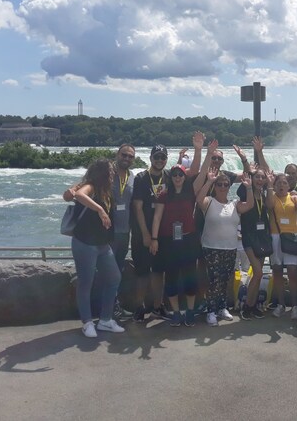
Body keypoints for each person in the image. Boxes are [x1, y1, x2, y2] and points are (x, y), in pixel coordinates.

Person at [131, 137, 202, 322]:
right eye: (157, 157)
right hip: (144, 233)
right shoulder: (141, 178)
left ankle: (157, 306)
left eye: (163, 157)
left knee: (158, 271)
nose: (160, 160)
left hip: (163, 236)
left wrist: (199, 150)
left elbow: (190, 172)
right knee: (142, 272)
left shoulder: (168, 177)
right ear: (151, 158)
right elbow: (137, 208)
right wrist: (147, 235)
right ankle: (139, 307)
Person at [64, 143, 135, 319]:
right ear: (117, 155)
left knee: (116, 273)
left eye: (130, 156)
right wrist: (71, 192)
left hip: (124, 232)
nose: (126, 158)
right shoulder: (104, 173)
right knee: (99, 275)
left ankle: (112, 311)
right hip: (103, 233)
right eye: (123, 154)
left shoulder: (132, 176)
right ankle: (99, 314)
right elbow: (79, 190)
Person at [67, 159, 124, 337]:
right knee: (85, 283)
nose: (113, 174)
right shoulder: (90, 186)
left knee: (114, 278)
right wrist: (100, 209)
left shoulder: (106, 190)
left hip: (102, 244)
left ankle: (105, 320)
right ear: (103, 174)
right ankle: (87, 322)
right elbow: (78, 195)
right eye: (111, 171)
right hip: (84, 243)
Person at [195, 167, 254, 326]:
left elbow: (249, 205)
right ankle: (211, 311)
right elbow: (199, 198)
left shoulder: (234, 204)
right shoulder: (209, 202)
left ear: (229, 187)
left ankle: (222, 308)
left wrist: (249, 187)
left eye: (225, 184)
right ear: (215, 186)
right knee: (213, 280)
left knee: (225, 279)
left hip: (230, 248)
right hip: (212, 248)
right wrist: (209, 181)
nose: (222, 187)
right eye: (219, 184)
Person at [150, 164, 206, 327]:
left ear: (184, 176)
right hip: (169, 241)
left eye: (180, 174)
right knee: (171, 277)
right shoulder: (164, 195)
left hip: (189, 240)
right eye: (174, 174)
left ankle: (189, 311)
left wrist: (208, 153)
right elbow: (157, 218)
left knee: (190, 276)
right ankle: (175, 312)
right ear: (170, 177)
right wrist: (154, 238)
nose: (177, 177)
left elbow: (202, 175)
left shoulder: (190, 192)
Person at [265, 171, 297, 319]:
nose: (281, 185)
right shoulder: (272, 197)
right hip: (275, 236)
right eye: (278, 183)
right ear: (275, 186)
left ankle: (295, 305)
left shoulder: (294, 198)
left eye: (284, 183)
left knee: (292, 272)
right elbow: (269, 206)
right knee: (276, 270)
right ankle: (281, 304)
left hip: (291, 237)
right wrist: (269, 185)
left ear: (289, 186)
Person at [237, 168, 270, 320]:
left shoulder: (264, 195)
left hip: (262, 238)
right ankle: (247, 307)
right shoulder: (245, 194)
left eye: (262, 177)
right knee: (258, 273)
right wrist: (245, 164)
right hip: (249, 238)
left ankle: (253, 305)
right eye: (257, 176)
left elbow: (270, 205)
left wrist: (270, 184)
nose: (260, 179)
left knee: (258, 274)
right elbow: (242, 189)